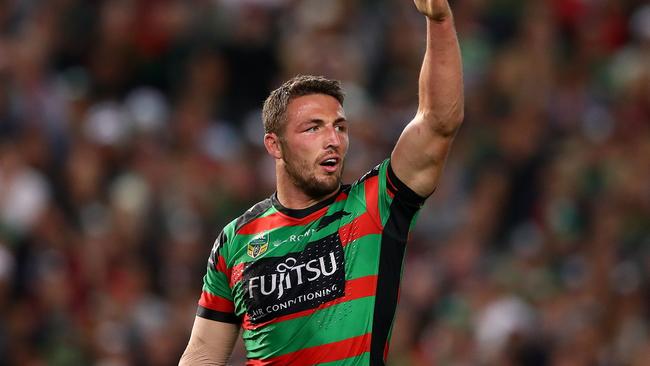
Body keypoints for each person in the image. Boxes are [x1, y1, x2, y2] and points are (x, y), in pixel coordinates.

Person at [180, 0, 463, 364]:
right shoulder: (237, 239)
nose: (333, 139)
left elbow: (438, 123)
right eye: (314, 128)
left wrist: (439, 21)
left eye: (340, 127)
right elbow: (203, 353)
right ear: (274, 145)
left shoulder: (374, 206)